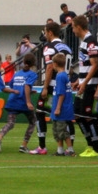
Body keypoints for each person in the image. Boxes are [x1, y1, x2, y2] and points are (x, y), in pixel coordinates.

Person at [33, 21, 72, 156]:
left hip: (53, 86)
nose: (44, 34)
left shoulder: (49, 47)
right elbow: (70, 68)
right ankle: (68, 147)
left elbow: (49, 67)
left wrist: (45, 87)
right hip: (65, 84)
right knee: (65, 117)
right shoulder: (67, 47)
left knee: (40, 112)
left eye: (45, 31)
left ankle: (42, 146)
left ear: (50, 32)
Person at [71, 15, 98, 158]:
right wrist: (79, 80)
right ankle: (91, 144)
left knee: (88, 116)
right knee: (78, 115)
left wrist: (84, 82)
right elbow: (86, 66)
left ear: (78, 27)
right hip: (84, 84)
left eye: (72, 27)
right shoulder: (84, 42)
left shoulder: (91, 42)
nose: (72, 30)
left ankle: (95, 148)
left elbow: (95, 65)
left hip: (90, 85)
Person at [0, 53, 38, 154]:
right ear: (33, 64)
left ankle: (0, 136)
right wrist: (28, 102)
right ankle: (23, 145)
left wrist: (29, 92)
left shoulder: (17, 73)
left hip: (13, 100)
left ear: (23, 62)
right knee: (33, 122)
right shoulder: (32, 74)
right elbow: (26, 86)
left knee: (10, 123)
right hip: (23, 102)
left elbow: (13, 85)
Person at [48, 53, 75, 157]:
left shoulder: (60, 76)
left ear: (55, 64)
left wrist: (58, 108)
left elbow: (61, 94)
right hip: (58, 107)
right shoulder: (63, 75)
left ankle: (70, 150)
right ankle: (60, 150)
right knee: (56, 130)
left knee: (62, 130)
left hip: (62, 108)